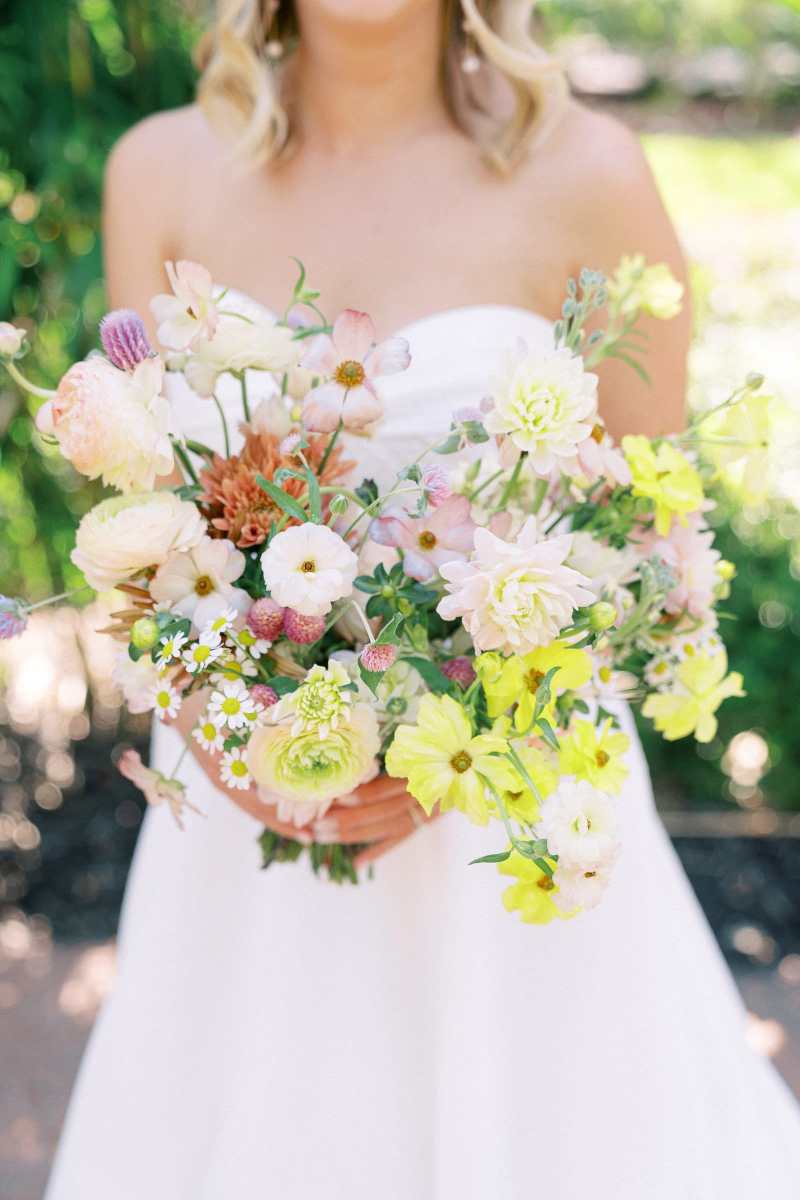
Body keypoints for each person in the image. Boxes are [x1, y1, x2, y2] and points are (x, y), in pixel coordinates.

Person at [46, 2, 800, 1196]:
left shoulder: (591, 177)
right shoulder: (161, 170)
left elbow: (649, 535)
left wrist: (463, 737)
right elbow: (152, 537)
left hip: (517, 842)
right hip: (246, 842)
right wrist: (226, 740)